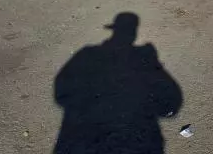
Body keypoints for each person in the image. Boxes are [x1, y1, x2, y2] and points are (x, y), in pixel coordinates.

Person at [53, 13, 181, 154]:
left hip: (87, 136)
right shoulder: (143, 55)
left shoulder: (87, 52)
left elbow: (61, 90)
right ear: (134, 31)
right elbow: (171, 105)